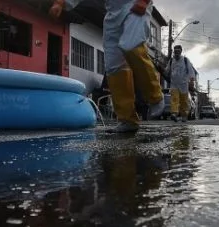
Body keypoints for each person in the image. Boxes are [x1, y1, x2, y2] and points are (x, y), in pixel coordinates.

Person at [49, 0, 165, 133]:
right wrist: (59, 3)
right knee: (114, 67)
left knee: (132, 46)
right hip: (112, 15)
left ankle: (155, 97)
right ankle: (127, 119)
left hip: (135, 7)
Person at [165, 45, 196, 122]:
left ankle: (184, 115)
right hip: (174, 84)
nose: (176, 54)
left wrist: (191, 81)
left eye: (178, 52)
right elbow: (167, 70)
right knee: (174, 99)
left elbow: (191, 71)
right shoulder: (171, 61)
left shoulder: (185, 60)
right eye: (175, 52)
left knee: (184, 101)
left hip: (184, 84)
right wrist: (162, 70)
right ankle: (174, 113)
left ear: (181, 51)